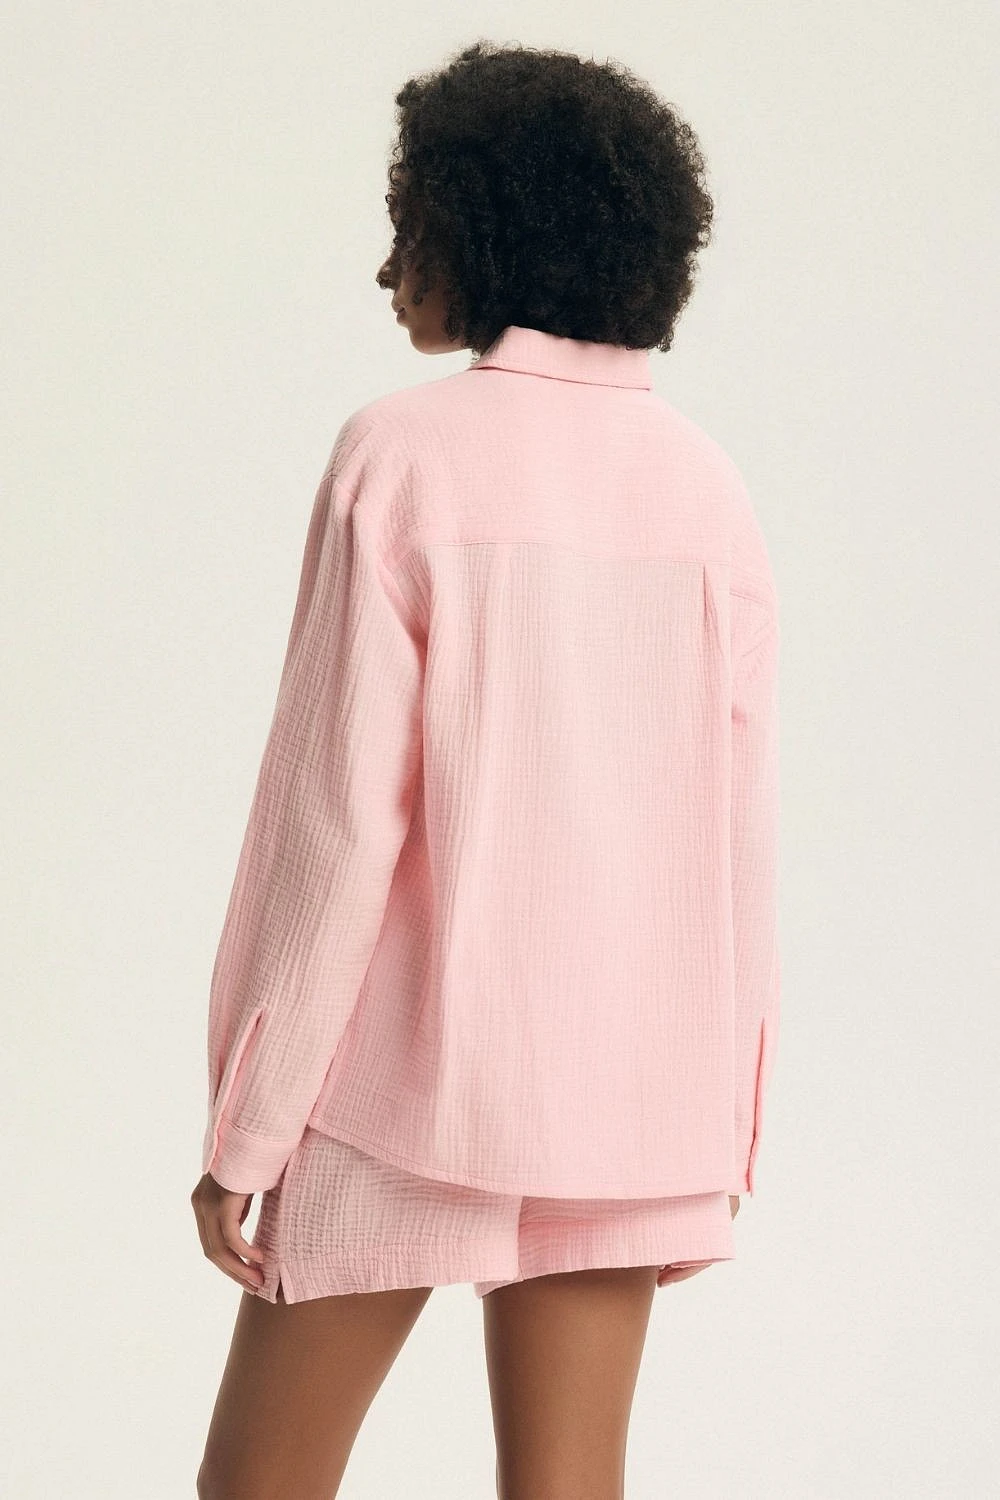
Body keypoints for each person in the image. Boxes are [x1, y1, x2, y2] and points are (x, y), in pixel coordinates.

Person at [192, 38, 780, 1500]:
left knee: (256, 1488)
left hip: (404, 1087)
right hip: (625, 1098)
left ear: (488, 231)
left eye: (412, 226)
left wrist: (248, 1129)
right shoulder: (706, 484)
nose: (388, 268)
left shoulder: (401, 455)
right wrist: (715, 1133)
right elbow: (736, 843)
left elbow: (337, 824)